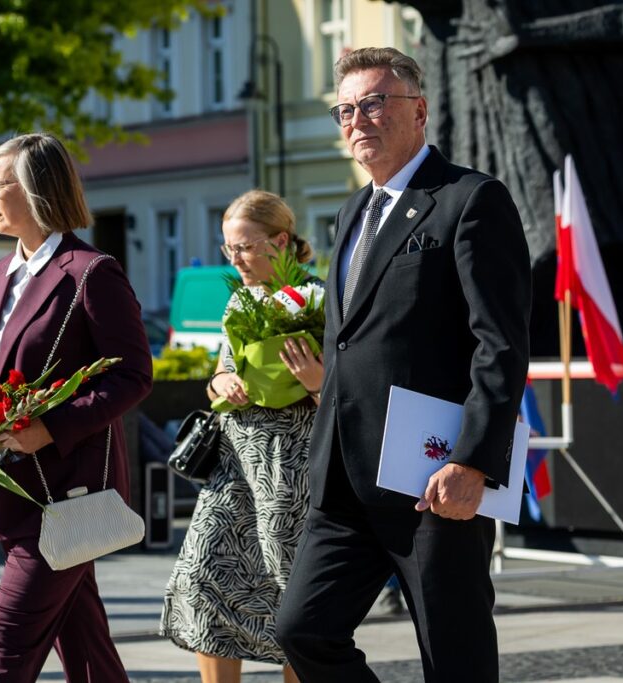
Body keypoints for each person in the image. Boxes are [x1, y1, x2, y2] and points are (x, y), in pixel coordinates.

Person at [274, 47, 530, 683]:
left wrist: (472, 460)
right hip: (343, 477)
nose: (359, 118)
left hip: (433, 476)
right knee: (302, 630)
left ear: (418, 111)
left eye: (375, 102)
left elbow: (499, 344)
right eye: (346, 109)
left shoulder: (469, 200)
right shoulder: (352, 212)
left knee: (455, 655)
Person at [0, 132, 152, 683]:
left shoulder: (90, 273)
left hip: (66, 497)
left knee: (5, 649)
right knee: (87, 649)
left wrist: (51, 428)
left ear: (36, 189)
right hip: (10, 494)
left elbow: (133, 375)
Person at [161, 190, 324, 683]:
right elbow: (217, 378)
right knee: (201, 578)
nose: (235, 260)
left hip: (290, 467)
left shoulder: (320, 297)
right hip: (234, 464)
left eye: (245, 248)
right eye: (228, 249)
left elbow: (349, 392)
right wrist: (220, 384)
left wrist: (319, 383)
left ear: (280, 241)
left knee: (294, 595)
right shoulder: (240, 299)